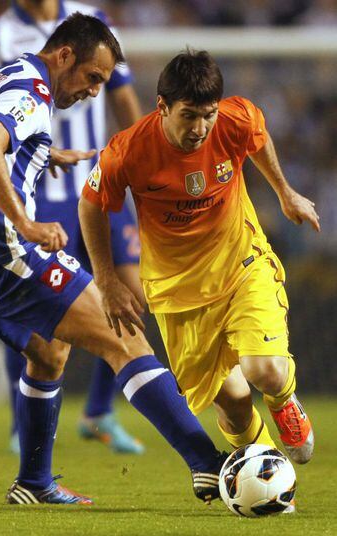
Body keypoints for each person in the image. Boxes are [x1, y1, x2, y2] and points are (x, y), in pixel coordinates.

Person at [0, 15, 226, 506]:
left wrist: (45, 154)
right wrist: (26, 225)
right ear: (64, 55)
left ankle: (33, 483)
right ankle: (209, 465)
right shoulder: (32, 90)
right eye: (92, 77)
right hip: (2, 249)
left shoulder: (3, 78)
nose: (94, 92)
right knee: (124, 334)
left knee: (49, 353)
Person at [79, 50, 318, 474]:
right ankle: (265, 471)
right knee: (234, 404)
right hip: (176, 293)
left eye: (207, 115)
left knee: (264, 371)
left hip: (241, 265)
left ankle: (284, 403)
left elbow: (257, 136)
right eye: (188, 115)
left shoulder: (235, 118)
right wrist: (108, 280)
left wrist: (285, 192)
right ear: (162, 107)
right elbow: (91, 206)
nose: (200, 128)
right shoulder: (129, 151)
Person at [0, 0, 145, 455]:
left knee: (135, 294)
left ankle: (100, 411)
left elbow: (122, 94)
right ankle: (21, 420)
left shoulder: (94, 23)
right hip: (41, 187)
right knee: (31, 308)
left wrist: (143, 167)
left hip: (94, 174)